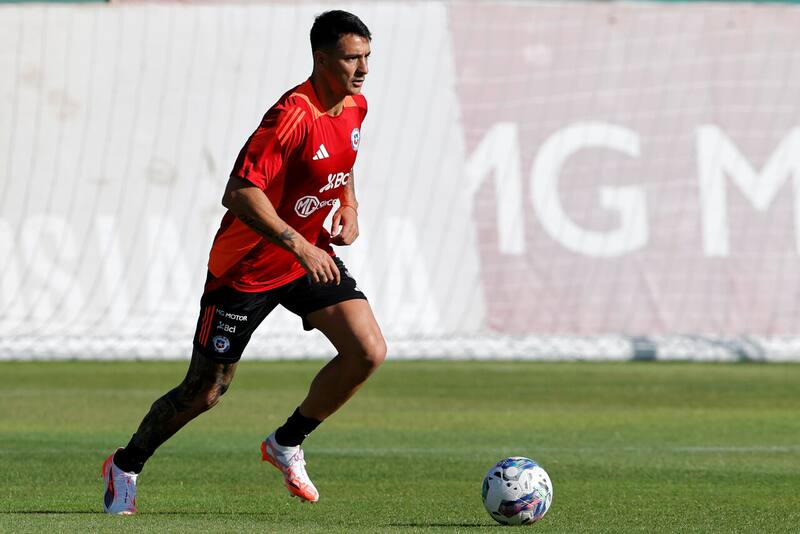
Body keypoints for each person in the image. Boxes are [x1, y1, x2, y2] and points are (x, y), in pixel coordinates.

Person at [101, 10, 385, 514]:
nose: (362, 68)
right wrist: (299, 244)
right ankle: (126, 464)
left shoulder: (355, 104)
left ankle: (285, 443)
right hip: (247, 270)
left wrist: (348, 205)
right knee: (204, 392)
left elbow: (342, 164)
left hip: (306, 261)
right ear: (321, 59)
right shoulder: (291, 116)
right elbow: (238, 192)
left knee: (367, 351)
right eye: (350, 58)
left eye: (366, 56)